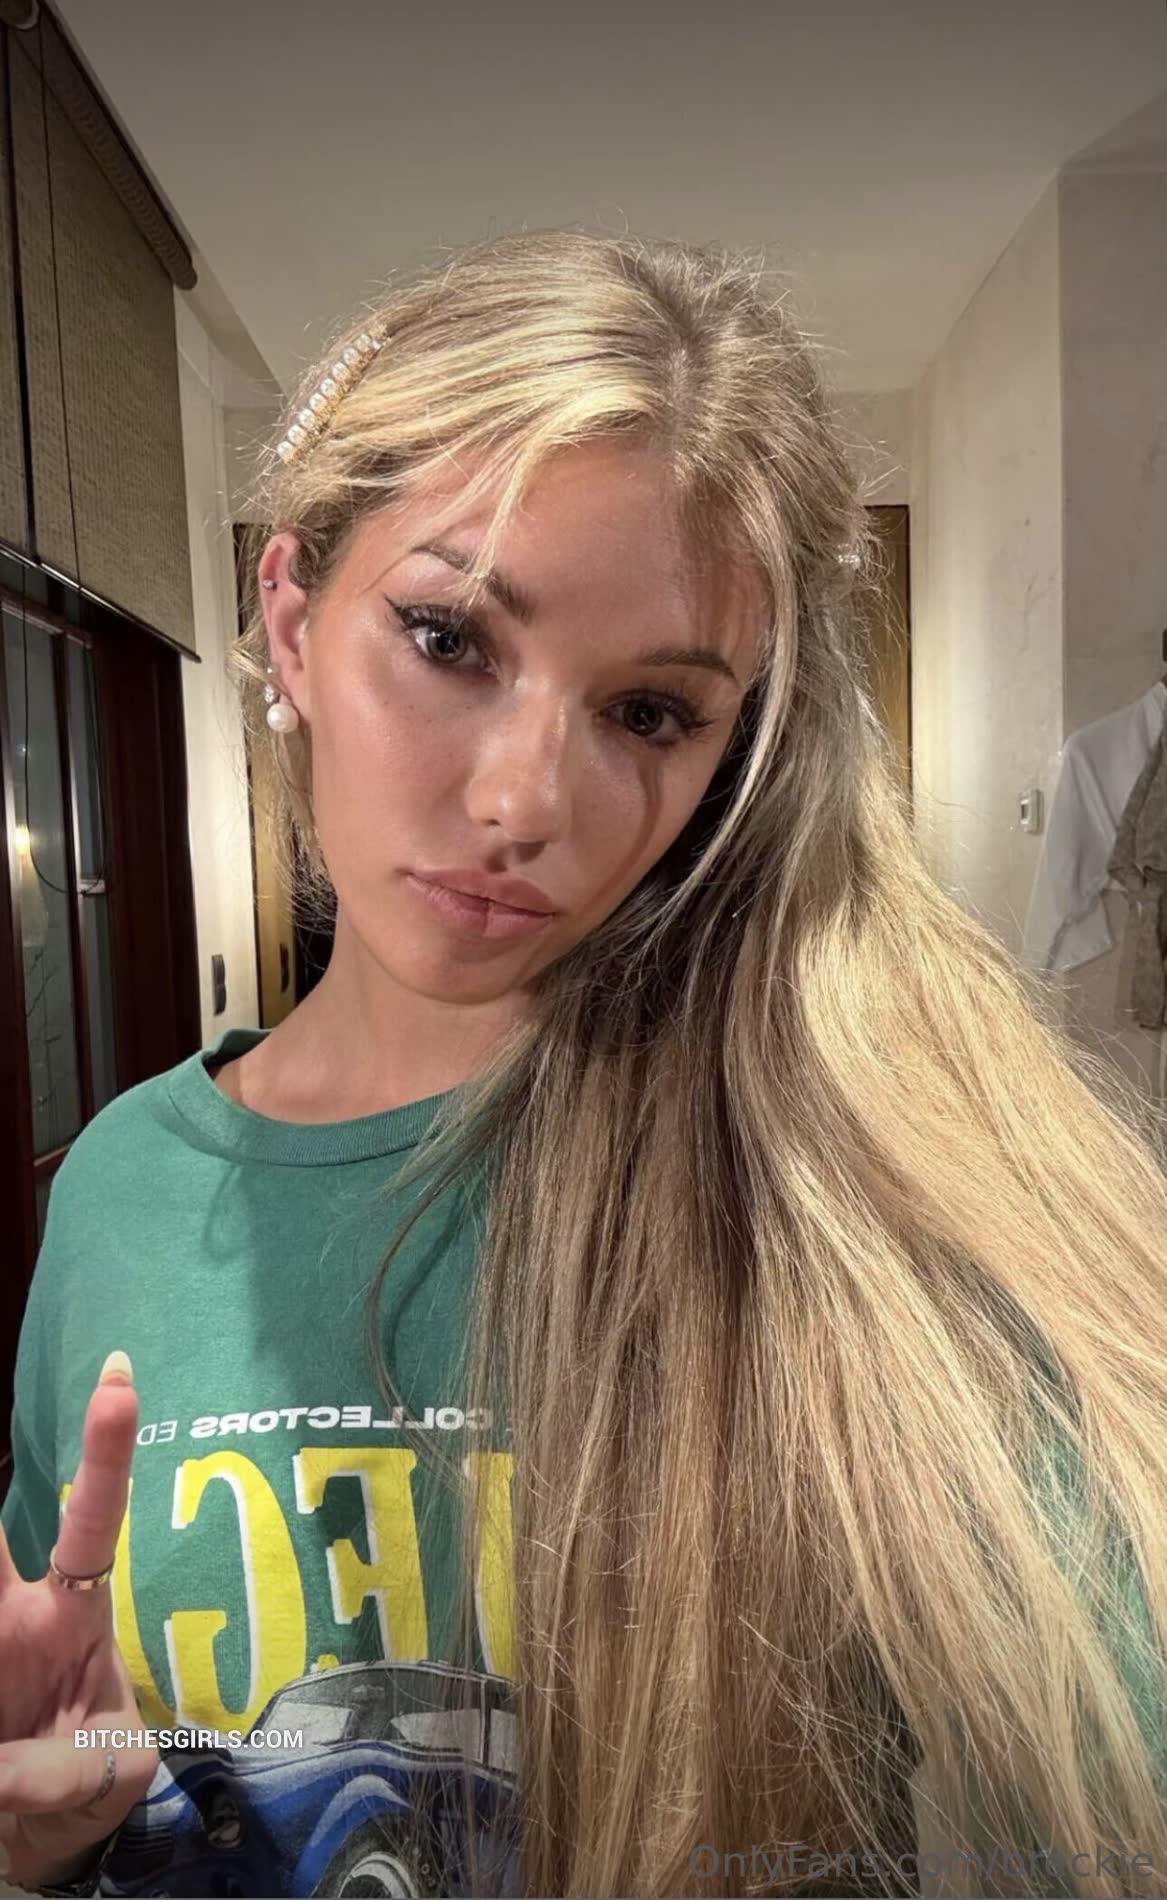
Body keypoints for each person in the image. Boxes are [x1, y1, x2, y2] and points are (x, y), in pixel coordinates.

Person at [1, 225, 1166, 1900]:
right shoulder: (120, 1184)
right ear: (291, 613)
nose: (524, 802)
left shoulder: (834, 1178)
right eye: (449, 638)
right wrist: (47, 1834)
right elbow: (73, 1753)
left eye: (648, 713)